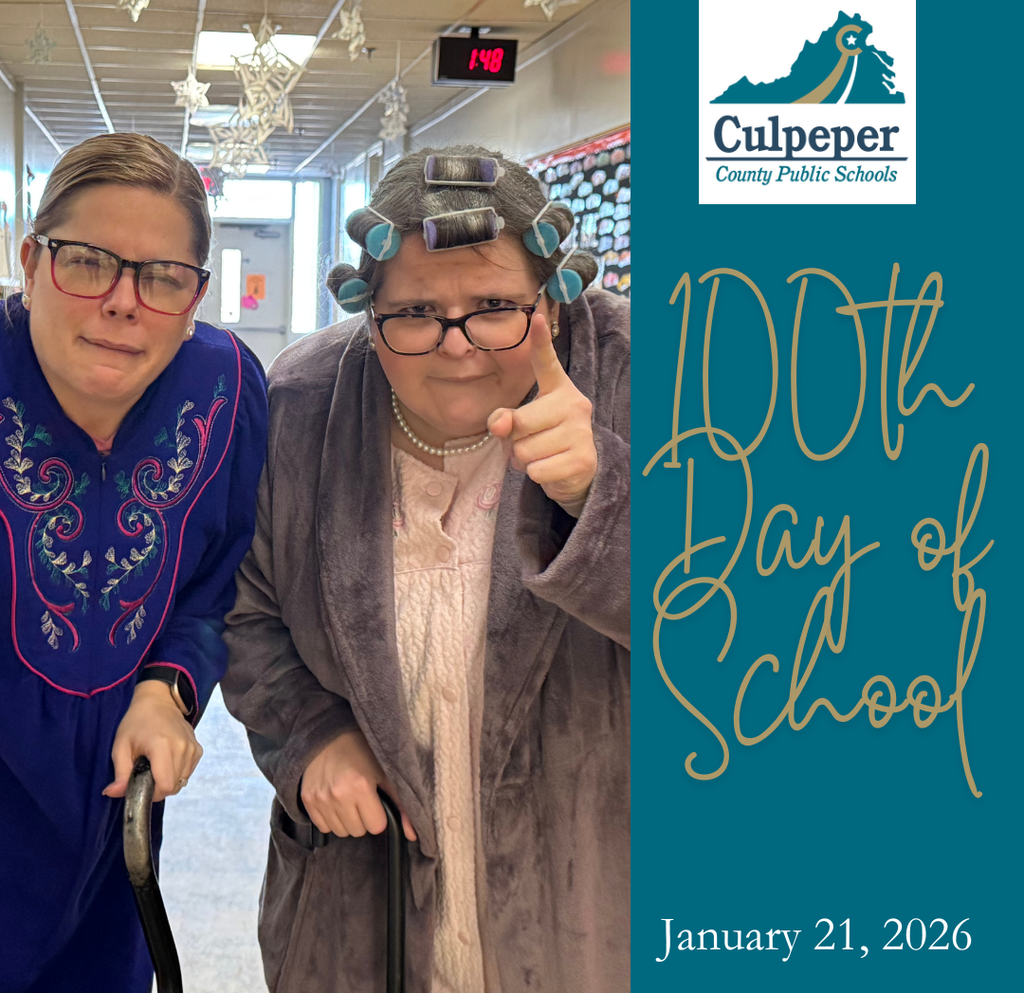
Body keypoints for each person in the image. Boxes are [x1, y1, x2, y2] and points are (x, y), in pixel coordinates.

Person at [222, 146, 629, 993]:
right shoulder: (302, 403)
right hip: (358, 921)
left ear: (552, 301)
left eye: (493, 307)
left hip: (591, 914)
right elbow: (245, 613)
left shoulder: (639, 377)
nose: (458, 347)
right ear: (368, 311)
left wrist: (606, 497)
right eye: (414, 312)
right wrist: (309, 737)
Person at [0, 132, 268, 992]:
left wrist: (168, 688)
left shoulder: (224, 390)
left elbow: (214, 582)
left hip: (119, 830)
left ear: (195, 296)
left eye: (161, 278)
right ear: (31, 259)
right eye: (87, 262)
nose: (123, 302)